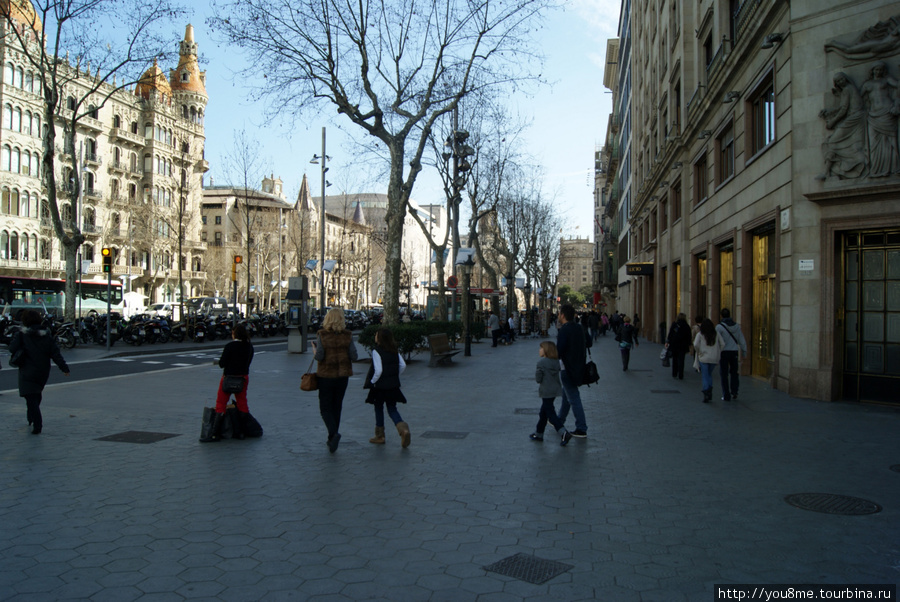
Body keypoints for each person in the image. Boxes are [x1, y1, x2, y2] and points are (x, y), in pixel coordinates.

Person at [8, 309, 70, 434]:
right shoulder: (46, 335)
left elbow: (11, 348)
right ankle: (31, 416)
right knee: (35, 394)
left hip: (27, 370)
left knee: (30, 397)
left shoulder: (22, 334)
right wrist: (64, 368)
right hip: (43, 371)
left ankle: (37, 424)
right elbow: (55, 353)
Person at [312, 308, 358, 452]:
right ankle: (332, 439)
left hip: (326, 376)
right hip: (342, 377)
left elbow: (319, 356)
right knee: (337, 406)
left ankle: (333, 434)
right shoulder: (348, 335)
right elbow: (354, 356)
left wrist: (314, 350)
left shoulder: (322, 335)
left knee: (325, 408)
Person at [201, 324, 255, 443]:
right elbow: (249, 362)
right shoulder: (249, 347)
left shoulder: (230, 346)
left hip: (228, 378)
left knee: (221, 403)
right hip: (243, 378)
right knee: (242, 403)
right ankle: (241, 432)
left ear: (234, 334)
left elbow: (222, 363)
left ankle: (214, 434)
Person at [364, 328, 411, 448]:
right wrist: (394, 376)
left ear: (379, 338)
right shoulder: (394, 350)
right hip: (392, 385)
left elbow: (378, 370)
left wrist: (372, 381)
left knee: (378, 407)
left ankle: (380, 436)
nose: (375, 336)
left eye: (376, 334)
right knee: (392, 408)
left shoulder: (376, 351)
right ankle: (403, 429)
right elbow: (403, 365)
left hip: (379, 386)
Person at [530, 341, 572, 446]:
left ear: (546, 351)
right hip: (554, 390)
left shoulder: (541, 363)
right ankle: (539, 433)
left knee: (550, 413)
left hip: (546, 390)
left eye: (541, 348)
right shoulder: (556, 362)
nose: (539, 350)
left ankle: (563, 432)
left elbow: (538, 379)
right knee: (543, 412)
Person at [556, 304, 588, 438]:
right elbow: (589, 342)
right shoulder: (580, 328)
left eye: (559, 313)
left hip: (567, 368)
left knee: (573, 397)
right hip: (579, 366)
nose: (558, 316)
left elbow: (559, 351)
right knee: (566, 396)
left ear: (563, 315)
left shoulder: (564, 330)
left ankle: (581, 428)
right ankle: (558, 421)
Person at [716, 308, 748, 401]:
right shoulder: (736, 326)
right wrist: (744, 350)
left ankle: (726, 394)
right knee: (734, 372)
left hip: (724, 352)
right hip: (734, 351)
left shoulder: (719, 327)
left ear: (721, 315)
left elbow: (716, 341)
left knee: (724, 374)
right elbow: (741, 338)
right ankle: (734, 391)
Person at [693, 318, 725, 403]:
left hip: (703, 357)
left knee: (705, 375)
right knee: (709, 374)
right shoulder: (716, 334)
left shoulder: (700, 334)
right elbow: (723, 344)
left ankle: (706, 391)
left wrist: (698, 351)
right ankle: (709, 390)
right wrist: (718, 352)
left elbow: (695, 344)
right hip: (714, 358)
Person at [665, 313, 693, 380]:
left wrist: (667, 342)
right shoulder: (686, 326)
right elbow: (689, 336)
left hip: (674, 344)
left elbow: (670, 333)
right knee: (681, 360)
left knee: (675, 359)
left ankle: (674, 373)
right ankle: (681, 374)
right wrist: (689, 344)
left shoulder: (674, 324)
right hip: (683, 345)